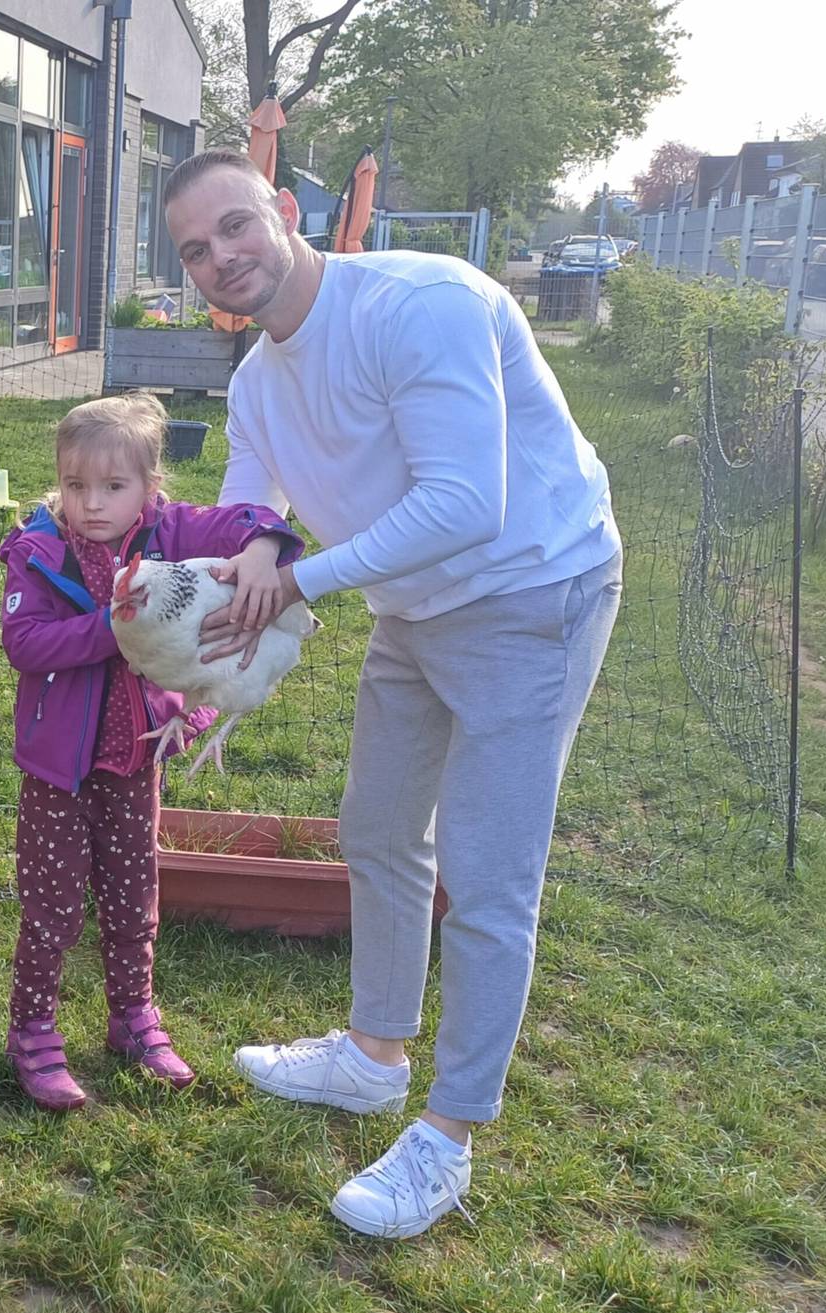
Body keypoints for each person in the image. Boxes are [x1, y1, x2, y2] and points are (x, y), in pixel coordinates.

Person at [163, 148, 623, 1237]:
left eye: (234, 227)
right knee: (376, 826)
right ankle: (373, 1055)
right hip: (411, 608)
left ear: (284, 210)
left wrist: (298, 579)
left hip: (533, 588)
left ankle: (449, 1135)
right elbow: (247, 506)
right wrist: (249, 556)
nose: (221, 258)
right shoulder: (257, 381)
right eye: (194, 249)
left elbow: (469, 498)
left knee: (487, 870)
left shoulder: (423, 304)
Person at [0, 393, 301, 1112]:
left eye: (113, 487)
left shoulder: (171, 534)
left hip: (136, 761)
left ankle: (133, 1018)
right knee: (52, 904)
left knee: (135, 897)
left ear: (151, 488)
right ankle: (32, 1030)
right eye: (76, 486)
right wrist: (114, 629)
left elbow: (253, 518)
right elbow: (24, 643)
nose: (92, 503)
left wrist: (261, 547)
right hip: (57, 772)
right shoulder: (40, 551)